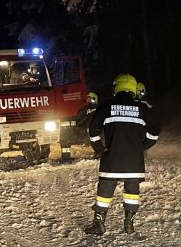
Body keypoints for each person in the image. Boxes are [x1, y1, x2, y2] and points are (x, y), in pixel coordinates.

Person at [83, 73, 160, 236]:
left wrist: (99, 149)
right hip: (134, 162)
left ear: (115, 88)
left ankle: (99, 224)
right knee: (132, 191)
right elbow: (154, 132)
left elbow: (93, 130)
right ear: (133, 89)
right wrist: (141, 147)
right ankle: (129, 223)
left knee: (105, 191)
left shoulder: (106, 107)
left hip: (111, 159)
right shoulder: (142, 109)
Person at [61, 91, 98, 162]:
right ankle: (66, 157)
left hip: (90, 131)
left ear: (94, 99)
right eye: (87, 99)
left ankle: (100, 153)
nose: (88, 101)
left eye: (90, 99)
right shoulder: (85, 109)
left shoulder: (90, 109)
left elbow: (79, 119)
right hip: (87, 131)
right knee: (65, 137)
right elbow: (79, 119)